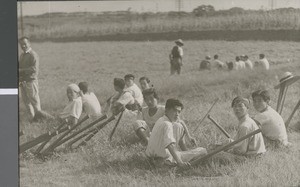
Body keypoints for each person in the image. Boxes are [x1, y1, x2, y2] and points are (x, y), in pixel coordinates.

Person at [145, 98, 207, 168]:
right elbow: (170, 144)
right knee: (202, 151)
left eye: (179, 112)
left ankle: (181, 155)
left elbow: (180, 122)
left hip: (150, 158)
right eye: (175, 110)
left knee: (178, 126)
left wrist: (189, 136)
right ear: (167, 110)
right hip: (162, 159)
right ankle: (172, 161)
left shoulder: (161, 120)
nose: (177, 114)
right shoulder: (167, 124)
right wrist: (180, 162)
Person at [19, 36, 52, 122]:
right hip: (23, 82)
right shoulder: (22, 55)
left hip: (31, 81)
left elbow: (34, 69)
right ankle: (33, 119)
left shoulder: (33, 55)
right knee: (26, 102)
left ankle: (43, 119)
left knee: (34, 101)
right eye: (21, 44)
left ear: (29, 44)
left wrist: (21, 71)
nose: (23, 46)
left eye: (25, 44)